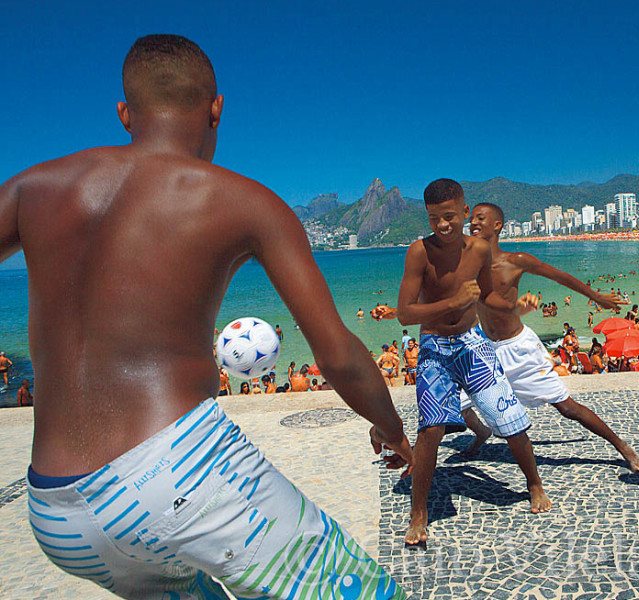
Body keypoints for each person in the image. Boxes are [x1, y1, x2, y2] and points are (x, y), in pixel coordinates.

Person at [0, 34, 411, 599]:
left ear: (125, 114)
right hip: (179, 476)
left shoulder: (29, 189)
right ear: (217, 107)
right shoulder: (244, 200)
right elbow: (336, 352)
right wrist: (392, 431)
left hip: (55, 512)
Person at [396, 179, 549, 548]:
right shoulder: (419, 252)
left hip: (472, 344)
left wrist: (516, 307)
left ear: (464, 212)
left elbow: (488, 297)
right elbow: (404, 313)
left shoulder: (479, 249)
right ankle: (419, 512)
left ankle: (534, 483)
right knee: (430, 429)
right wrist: (451, 303)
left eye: (449, 216)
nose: (443, 225)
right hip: (434, 346)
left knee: (509, 420)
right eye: (434, 218)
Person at [459, 203, 639, 473]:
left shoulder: (515, 262)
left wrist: (596, 297)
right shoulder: (466, 263)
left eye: (481, 218)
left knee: (567, 407)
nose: (474, 223)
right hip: (485, 347)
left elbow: (559, 276)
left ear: (497, 225)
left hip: (519, 349)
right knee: (457, 398)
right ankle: (481, 433)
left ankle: (621, 446)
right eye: (472, 219)